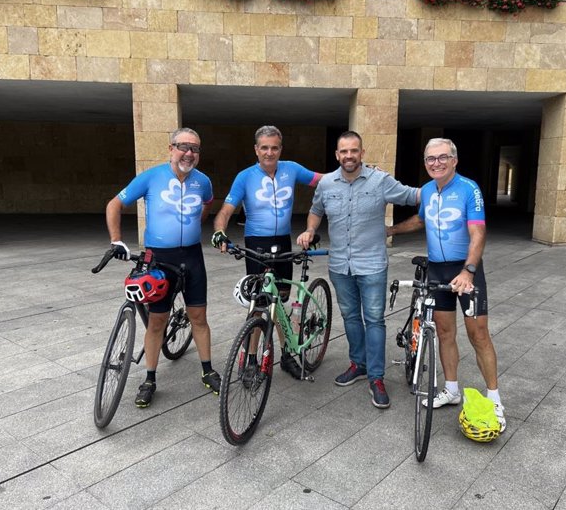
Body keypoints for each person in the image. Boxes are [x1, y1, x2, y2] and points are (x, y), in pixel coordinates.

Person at [387, 137, 506, 431]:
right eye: (430, 159)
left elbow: (478, 232)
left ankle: (494, 399)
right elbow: (420, 220)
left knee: (478, 334)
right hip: (437, 270)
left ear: (454, 160)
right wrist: (390, 230)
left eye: (442, 157)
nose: (436, 163)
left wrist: (468, 270)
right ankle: (451, 390)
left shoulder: (469, 189)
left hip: (466, 270)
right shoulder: (427, 190)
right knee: (444, 331)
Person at [296, 131, 420, 409]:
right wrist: (310, 229)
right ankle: (358, 364)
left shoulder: (380, 181)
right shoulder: (327, 184)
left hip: (373, 264)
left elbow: (414, 196)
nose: (349, 156)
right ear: (337, 155)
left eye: (354, 151)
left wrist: (446, 187)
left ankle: (376, 377)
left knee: (374, 320)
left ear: (362, 153)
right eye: (344, 151)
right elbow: (316, 210)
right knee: (351, 317)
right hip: (340, 264)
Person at [106, 128, 220, 408]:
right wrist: (117, 240)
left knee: (199, 317)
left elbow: (207, 205)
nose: (189, 153)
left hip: (192, 256)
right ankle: (149, 379)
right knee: (157, 321)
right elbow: (114, 204)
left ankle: (207, 371)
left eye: (195, 149)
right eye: (184, 147)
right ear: (171, 148)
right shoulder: (151, 176)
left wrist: (196, 223)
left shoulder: (203, 181)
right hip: (159, 258)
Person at [212, 125, 323, 380]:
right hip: (256, 245)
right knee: (259, 305)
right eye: (264, 147)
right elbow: (226, 210)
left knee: (280, 303)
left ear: (280, 149)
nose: (269, 152)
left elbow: (322, 179)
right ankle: (251, 359)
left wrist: (358, 171)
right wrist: (219, 231)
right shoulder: (245, 176)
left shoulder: (292, 168)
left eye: (274, 147)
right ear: (256, 149)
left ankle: (286, 355)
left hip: (282, 242)